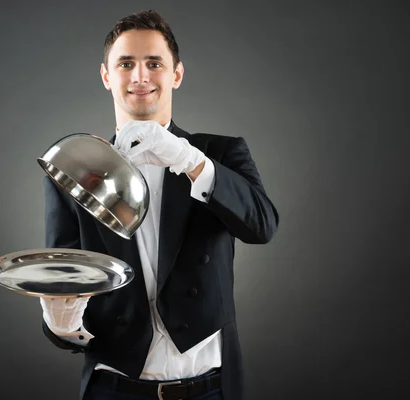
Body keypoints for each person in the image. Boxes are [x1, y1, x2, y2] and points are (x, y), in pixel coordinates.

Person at [39, 9, 279, 400]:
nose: (140, 76)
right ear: (106, 77)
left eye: (154, 63)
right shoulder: (72, 169)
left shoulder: (218, 152)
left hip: (209, 389)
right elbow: (64, 286)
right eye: (126, 64)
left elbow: (262, 226)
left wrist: (189, 160)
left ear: (176, 74)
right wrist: (63, 324)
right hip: (113, 389)